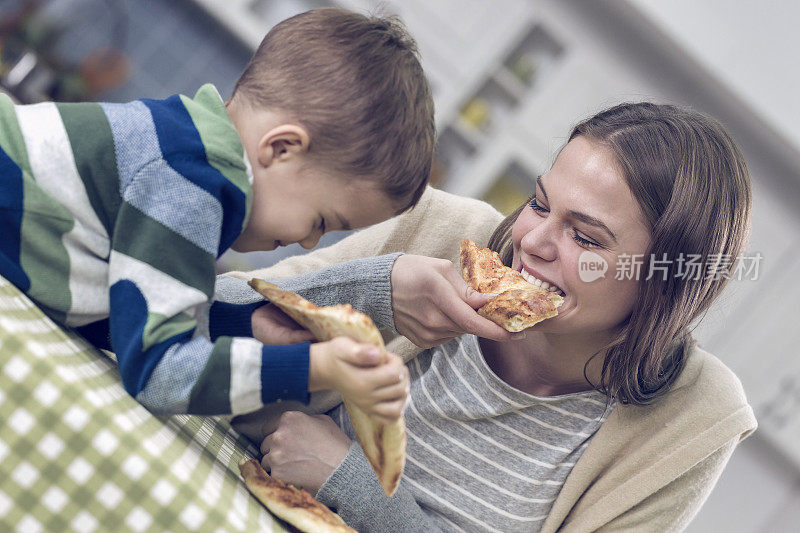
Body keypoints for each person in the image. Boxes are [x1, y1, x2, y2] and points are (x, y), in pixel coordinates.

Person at [217, 102, 758, 532]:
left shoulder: (694, 416)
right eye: (541, 204)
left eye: (585, 237)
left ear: (662, 284)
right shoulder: (443, 231)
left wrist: (355, 486)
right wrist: (377, 290)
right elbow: (188, 316)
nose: (533, 242)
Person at [0, 8, 440, 422]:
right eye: (322, 221)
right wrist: (313, 368)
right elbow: (156, 369)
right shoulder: (193, 182)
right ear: (281, 148)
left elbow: (124, 306)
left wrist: (243, 322)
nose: (309, 242)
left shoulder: (188, 145)